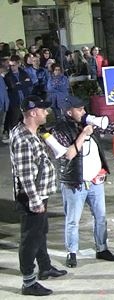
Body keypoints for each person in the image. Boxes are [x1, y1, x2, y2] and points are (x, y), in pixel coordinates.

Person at [51, 96, 114, 268]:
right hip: (75, 182)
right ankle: (72, 252)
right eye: (79, 109)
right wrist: (83, 134)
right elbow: (68, 154)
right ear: (68, 111)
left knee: (101, 217)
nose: (83, 112)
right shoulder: (60, 129)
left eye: (83, 109)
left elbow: (110, 127)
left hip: (96, 181)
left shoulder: (88, 122)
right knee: (73, 220)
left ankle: (102, 248)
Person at [10, 95, 67, 296]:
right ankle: (28, 282)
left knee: (40, 232)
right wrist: (35, 201)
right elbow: (25, 174)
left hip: (39, 193)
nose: (46, 112)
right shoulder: (24, 139)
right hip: (31, 197)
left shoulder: (27, 131)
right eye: (43, 110)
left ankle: (45, 267)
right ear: (33, 113)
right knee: (30, 239)